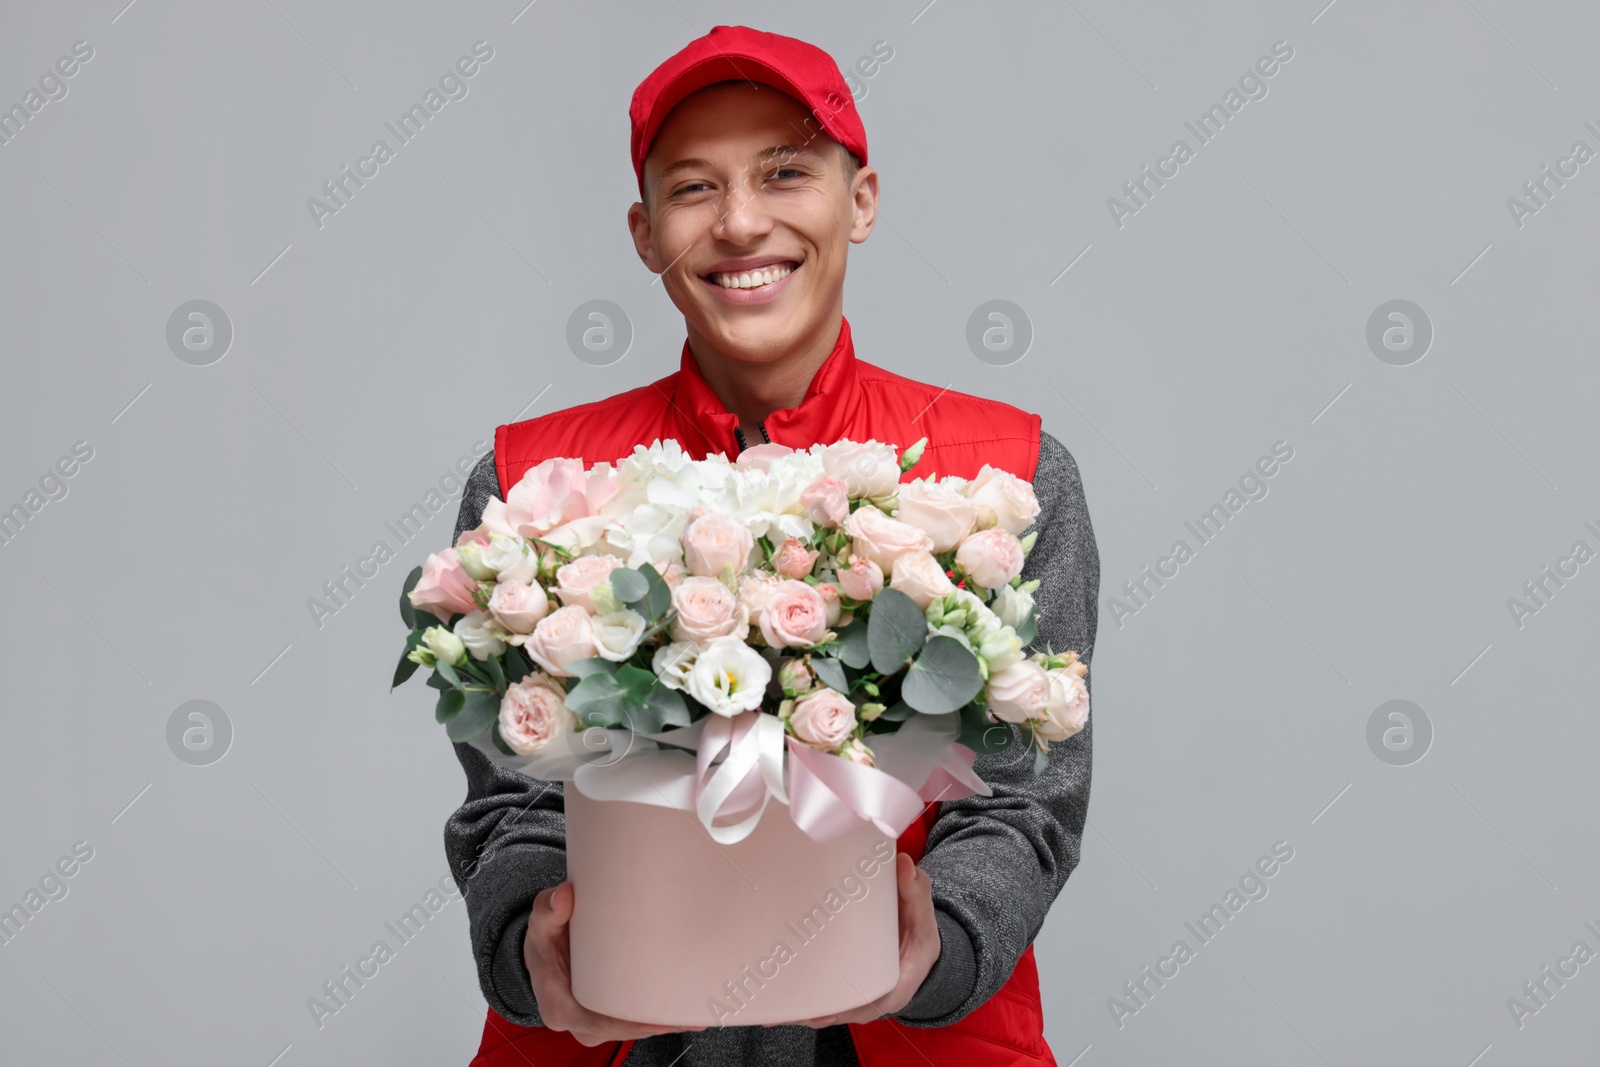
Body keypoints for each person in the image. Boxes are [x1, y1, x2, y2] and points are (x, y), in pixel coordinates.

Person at [443, 24, 1099, 1067]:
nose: (741, 223)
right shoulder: (536, 486)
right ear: (644, 230)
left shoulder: (1005, 478)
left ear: (861, 200)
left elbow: (1025, 800)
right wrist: (536, 948)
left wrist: (941, 946)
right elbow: (513, 802)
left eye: (785, 172)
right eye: (693, 188)